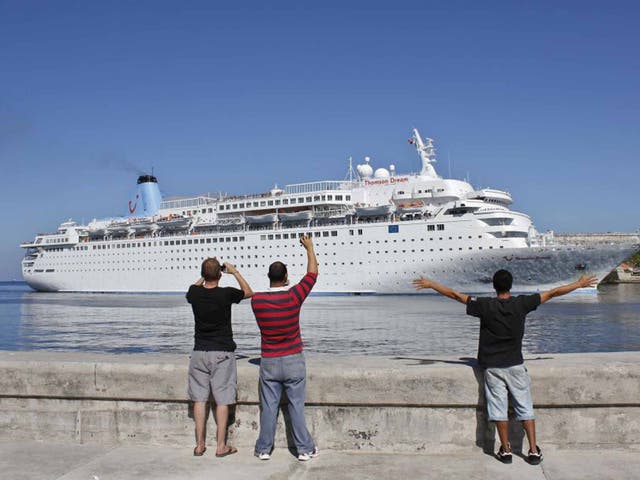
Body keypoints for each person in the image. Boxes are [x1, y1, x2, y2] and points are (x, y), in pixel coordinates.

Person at [413, 270, 597, 465]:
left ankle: (506, 450)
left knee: (498, 409)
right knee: (525, 407)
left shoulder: (484, 305)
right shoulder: (522, 303)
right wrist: (579, 284)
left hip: (492, 367)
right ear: (510, 285)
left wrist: (432, 284)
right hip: (515, 365)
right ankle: (533, 451)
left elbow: (455, 295)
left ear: (494, 286)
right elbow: (553, 293)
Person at [251, 235, 319, 461]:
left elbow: (248, 292)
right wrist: (309, 248)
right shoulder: (294, 296)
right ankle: (304, 450)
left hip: (269, 360)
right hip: (293, 359)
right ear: (286, 277)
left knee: (269, 408)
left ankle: (263, 449)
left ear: (269, 277)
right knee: (296, 406)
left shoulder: (257, 301)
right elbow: (312, 275)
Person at [186, 258, 253, 458]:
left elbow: (193, 289)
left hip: (199, 352)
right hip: (222, 352)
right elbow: (249, 292)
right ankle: (221, 446)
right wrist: (235, 272)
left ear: (203, 275)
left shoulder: (194, 293)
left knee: (199, 399)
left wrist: (205, 276)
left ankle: (199, 445)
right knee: (222, 400)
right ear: (220, 274)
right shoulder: (226, 293)